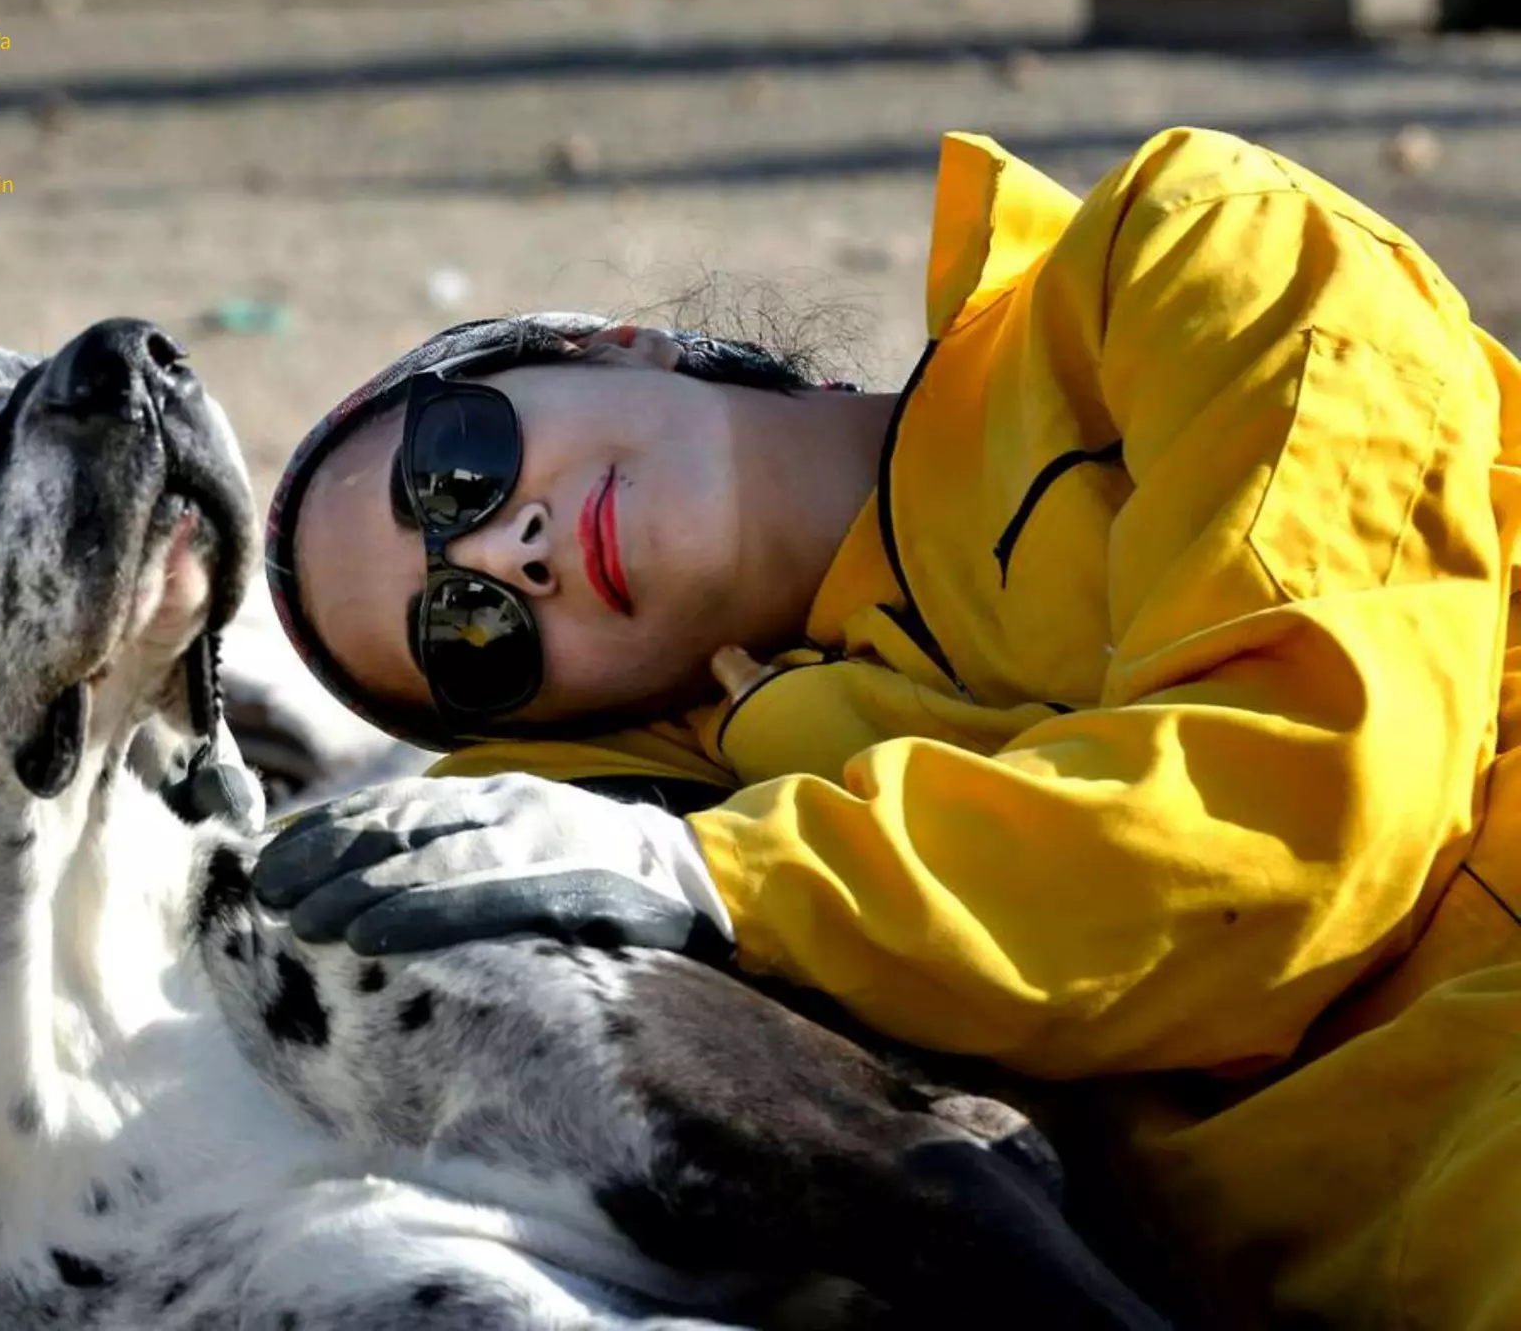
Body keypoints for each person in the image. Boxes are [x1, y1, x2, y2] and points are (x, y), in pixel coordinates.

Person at [252, 126, 1521, 1329]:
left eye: (456, 469)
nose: (504, 555)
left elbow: (1303, 813)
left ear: (620, 347)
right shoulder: (709, 878)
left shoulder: (1189, 251)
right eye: (467, 639)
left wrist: (725, 874)